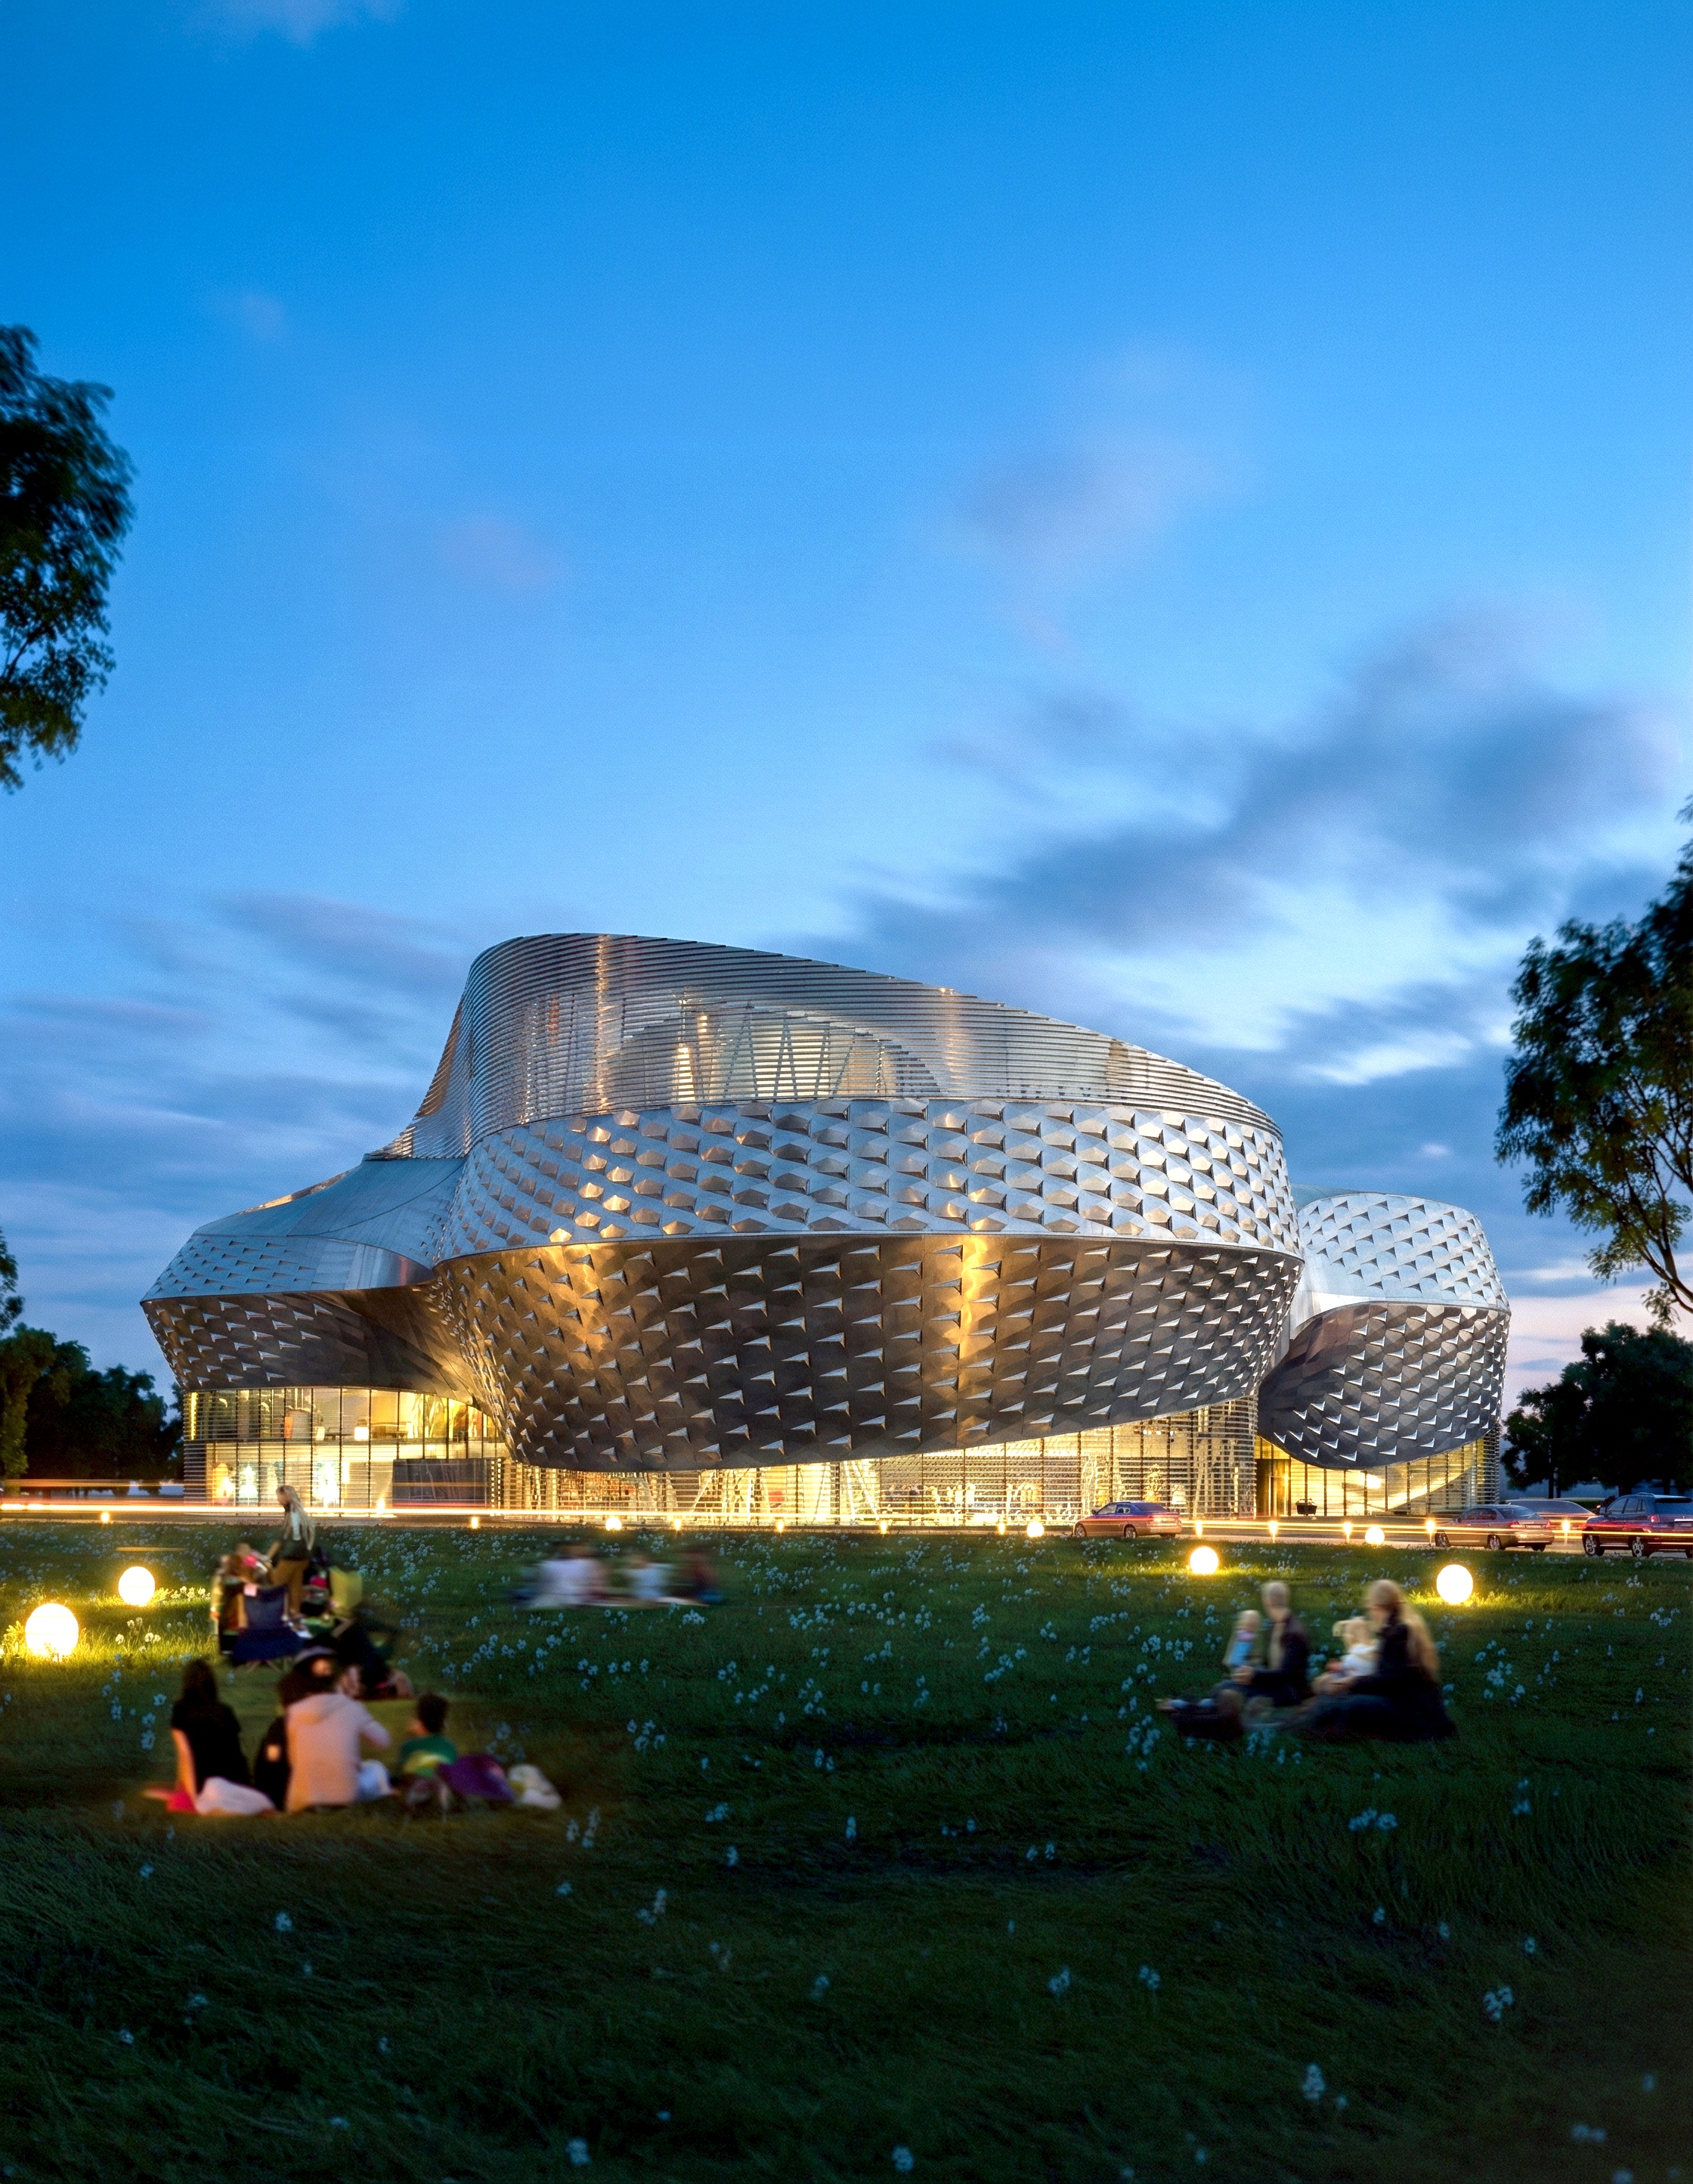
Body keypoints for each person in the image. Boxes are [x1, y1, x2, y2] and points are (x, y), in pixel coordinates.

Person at [1295, 1579, 1454, 1742]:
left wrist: (1351, 1682)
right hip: (1416, 1708)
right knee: (1344, 1698)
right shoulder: (1399, 1626)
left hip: (1410, 1713)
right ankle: (1303, 1722)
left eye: (1370, 1609)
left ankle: (1304, 1729)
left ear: (1377, 1608)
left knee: (1350, 1705)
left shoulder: (1399, 1632)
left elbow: (1393, 1681)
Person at [1158, 1581, 1310, 1738]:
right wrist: (1251, 1670)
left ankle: (1183, 1710)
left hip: (1288, 1691)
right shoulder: (1276, 1625)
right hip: (1275, 1682)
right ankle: (1185, 1707)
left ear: (1268, 1602)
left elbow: (1287, 1673)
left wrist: (1255, 1675)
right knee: (1225, 1687)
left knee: (1227, 1693)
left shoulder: (1294, 1633)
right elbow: (1273, 1666)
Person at [144, 1659, 274, 1815]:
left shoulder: (181, 1711)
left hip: (208, 1784)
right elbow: (237, 1750)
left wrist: (192, 1797)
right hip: (236, 1780)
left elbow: (185, 1755)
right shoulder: (225, 1711)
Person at [285, 1665, 393, 1811]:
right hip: (345, 1796)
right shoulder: (353, 1708)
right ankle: (387, 1792)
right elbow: (384, 1741)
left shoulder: (295, 1711)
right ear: (339, 1680)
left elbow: (294, 1760)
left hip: (305, 1798)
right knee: (377, 1768)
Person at [264, 1484, 316, 1622]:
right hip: (304, 1556)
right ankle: (295, 1612)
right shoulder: (298, 1510)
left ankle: (271, 1614)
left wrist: (267, 1558)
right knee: (295, 1584)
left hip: (292, 1556)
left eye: (279, 1497)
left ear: (286, 1496)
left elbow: (283, 1537)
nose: (278, 1500)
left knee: (276, 1582)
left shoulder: (293, 1513)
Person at [396, 1693, 458, 1780]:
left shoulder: (409, 1746)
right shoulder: (450, 1747)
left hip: (417, 1788)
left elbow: (401, 1775)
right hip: (440, 1788)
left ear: (419, 1719)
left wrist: (409, 1735)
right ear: (443, 1721)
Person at [529, 1543, 605, 1607]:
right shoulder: (584, 1564)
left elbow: (542, 1587)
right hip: (576, 1599)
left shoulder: (548, 1565)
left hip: (557, 1599)